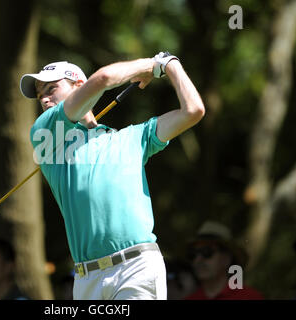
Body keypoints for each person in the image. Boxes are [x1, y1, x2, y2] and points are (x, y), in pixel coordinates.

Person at [20, 52, 205, 300]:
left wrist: (171, 65)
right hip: (86, 279)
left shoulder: (132, 137)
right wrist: (150, 66)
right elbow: (105, 77)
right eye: (40, 94)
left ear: (79, 86)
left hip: (137, 267)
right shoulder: (46, 138)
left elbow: (193, 110)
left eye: (51, 88)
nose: (44, 98)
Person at [184, 221, 264, 300]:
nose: (198, 260)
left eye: (207, 252)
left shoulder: (249, 297)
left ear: (227, 259)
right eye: (193, 254)